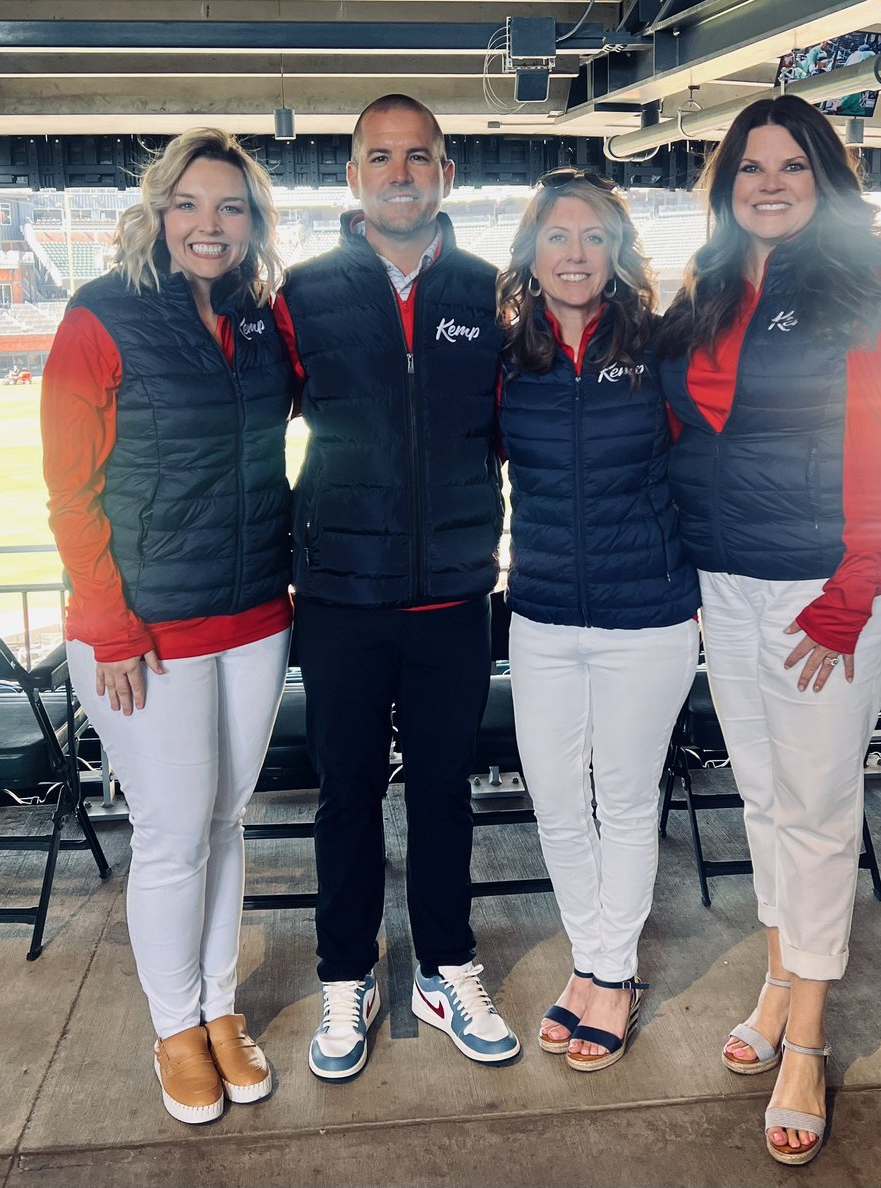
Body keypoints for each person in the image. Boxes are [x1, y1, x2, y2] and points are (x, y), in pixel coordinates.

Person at [655, 95, 881, 1166]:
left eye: (793, 168)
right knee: (765, 799)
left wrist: (853, 587)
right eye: (751, 168)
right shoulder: (711, 288)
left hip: (821, 588)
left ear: (825, 182)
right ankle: (779, 979)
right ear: (727, 186)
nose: (769, 183)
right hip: (728, 582)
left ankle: (806, 1041)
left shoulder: (869, 280)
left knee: (815, 809)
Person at [41, 128, 295, 1125]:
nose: (210, 224)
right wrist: (107, 623)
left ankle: (222, 1010)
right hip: (145, 629)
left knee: (225, 821)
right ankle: (175, 1028)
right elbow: (69, 490)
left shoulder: (263, 321)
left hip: (256, 618)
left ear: (252, 224)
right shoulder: (101, 315)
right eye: (191, 204)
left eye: (231, 207)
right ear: (160, 211)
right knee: (172, 833)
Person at [273, 94, 519, 1080]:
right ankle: (348, 973)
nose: (402, 172)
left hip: (453, 601)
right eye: (382, 157)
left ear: (448, 174)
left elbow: (510, 436)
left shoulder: (490, 293)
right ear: (354, 179)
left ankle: (445, 965)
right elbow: (255, 435)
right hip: (339, 602)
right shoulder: (301, 296)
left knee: (446, 798)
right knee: (346, 797)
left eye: (420, 156)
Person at [496, 169, 700, 1073]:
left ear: (616, 251)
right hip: (541, 615)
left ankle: (608, 976)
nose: (574, 254)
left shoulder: (660, 347)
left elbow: (703, 459)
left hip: (646, 619)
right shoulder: (507, 361)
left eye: (591, 237)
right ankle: (594, 959)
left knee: (622, 802)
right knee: (554, 804)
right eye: (556, 237)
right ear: (531, 256)